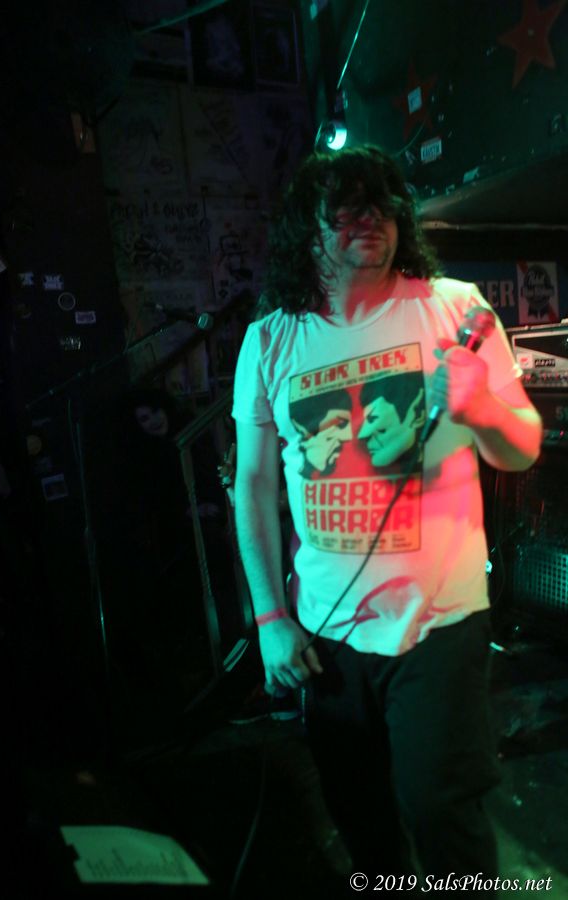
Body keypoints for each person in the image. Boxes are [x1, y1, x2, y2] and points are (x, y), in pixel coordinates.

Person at [231, 146, 542, 886]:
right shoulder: (271, 339)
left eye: (380, 203)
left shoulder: (455, 307)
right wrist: (271, 618)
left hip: (439, 623)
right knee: (361, 819)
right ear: (307, 229)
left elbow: (522, 448)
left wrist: (482, 407)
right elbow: (252, 484)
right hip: (328, 634)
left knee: (441, 812)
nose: (367, 218)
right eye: (345, 206)